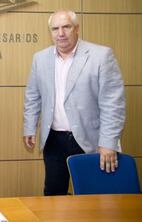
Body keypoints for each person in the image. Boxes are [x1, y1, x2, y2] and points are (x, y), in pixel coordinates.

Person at [23, 10, 125, 196]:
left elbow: (113, 104)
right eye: (55, 28)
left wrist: (109, 142)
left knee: (94, 196)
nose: (60, 33)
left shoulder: (101, 56)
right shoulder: (40, 58)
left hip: (91, 139)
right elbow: (33, 95)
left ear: (76, 29)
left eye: (66, 27)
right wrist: (29, 127)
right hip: (54, 139)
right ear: (50, 32)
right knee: (54, 193)